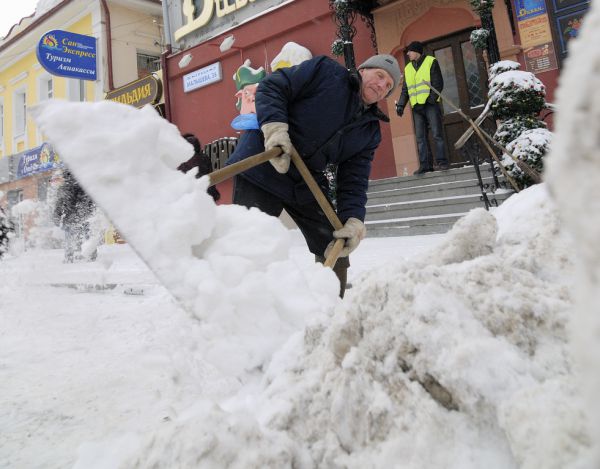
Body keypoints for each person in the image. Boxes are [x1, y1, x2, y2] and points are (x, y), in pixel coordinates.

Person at [226, 54, 401, 297]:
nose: (382, 85)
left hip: (304, 178)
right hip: (264, 162)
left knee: (335, 243)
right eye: (380, 75)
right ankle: (239, 306)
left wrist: (353, 218)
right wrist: (275, 129)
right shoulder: (325, 72)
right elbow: (273, 85)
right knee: (248, 243)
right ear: (362, 70)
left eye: (389, 86)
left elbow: (354, 180)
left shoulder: (369, 131)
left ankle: (330, 310)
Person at [395, 41, 450, 175]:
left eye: (410, 51)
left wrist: (430, 100)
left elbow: (438, 83)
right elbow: (405, 89)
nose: (407, 53)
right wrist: (401, 105)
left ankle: (442, 162)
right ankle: (425, 165)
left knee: (437, 134)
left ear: (417, 51)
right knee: (420, 137)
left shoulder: (431, 62)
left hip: (430, 105)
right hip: (417, 108)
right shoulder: (408, 68)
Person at [53, 169, 97, 263]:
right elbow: (88, 201)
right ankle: (91, 254)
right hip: (82, 216)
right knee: (87, 235)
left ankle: (69, 257)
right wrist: (84, 213)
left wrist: (57, 216)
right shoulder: (82, 185)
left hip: (70, 217)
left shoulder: (64, 187)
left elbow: (59, 203)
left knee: (70, 237)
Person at [177, 133, 221, 202]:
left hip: (189, 196)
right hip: (205, 194)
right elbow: (209, 177)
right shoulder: (204, 158)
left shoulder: (181, 160)